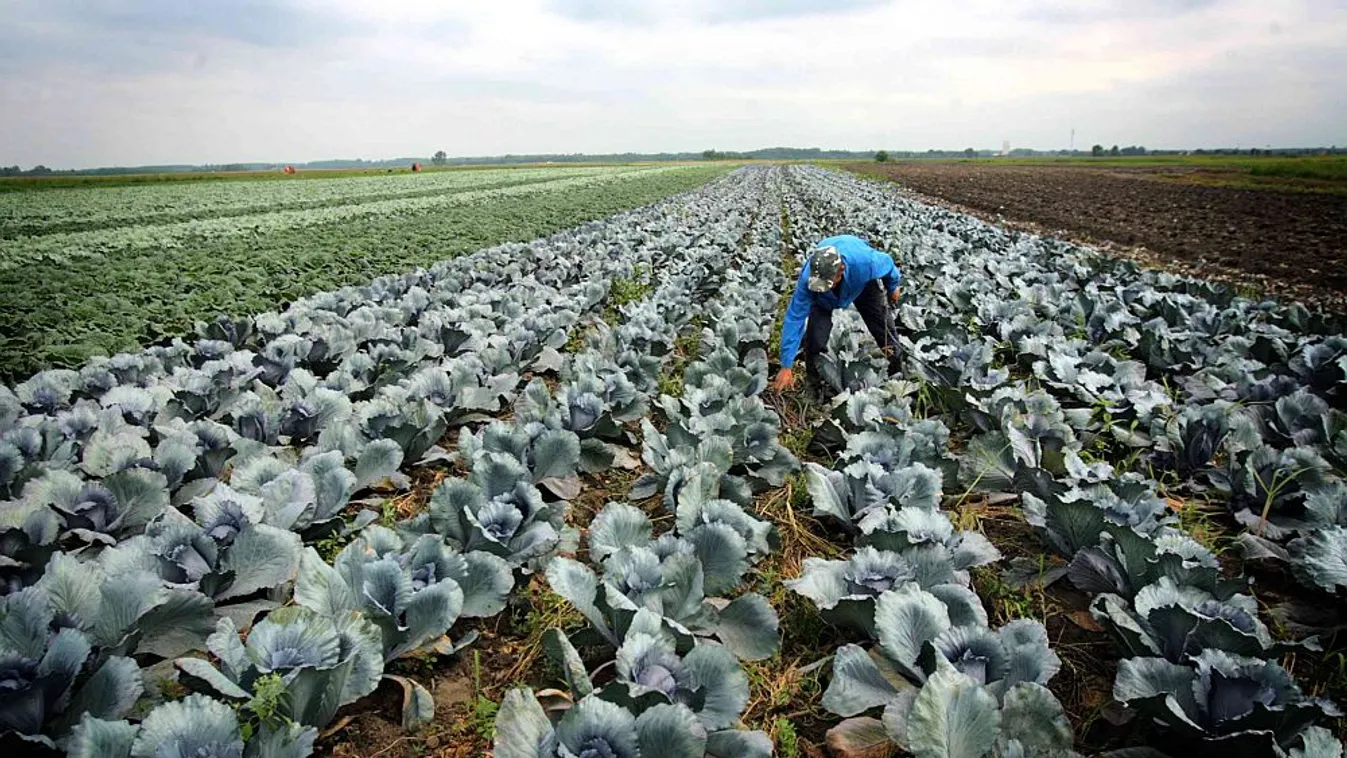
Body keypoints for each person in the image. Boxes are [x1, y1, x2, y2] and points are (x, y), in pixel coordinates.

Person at [770, 235, 903, 397]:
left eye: (827, 284)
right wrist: (786, 365)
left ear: (841, 272)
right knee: (815, 338)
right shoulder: (810, 281)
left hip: (861, 285)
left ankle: (897, 377)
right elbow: (795, 317)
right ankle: (815, 386)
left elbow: (888, 264)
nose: (822, 287)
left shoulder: (865, 263)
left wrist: (893, 287)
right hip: (824, 301)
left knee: (884, 330)